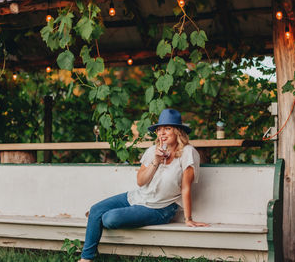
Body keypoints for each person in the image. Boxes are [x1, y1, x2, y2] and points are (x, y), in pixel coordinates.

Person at [78, 108, 208, 262]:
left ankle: (99, 218)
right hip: (137, 197)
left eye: (167, 129)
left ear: (178, 131)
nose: (162, 133)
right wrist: (156, 161)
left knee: (108, 219)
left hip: (161, 208)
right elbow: (141, 182)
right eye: (159, 130)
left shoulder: (188, 153)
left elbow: (186, 187)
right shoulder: (153, 150)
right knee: (96, 209)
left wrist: (188, 218)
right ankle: (86, 259)